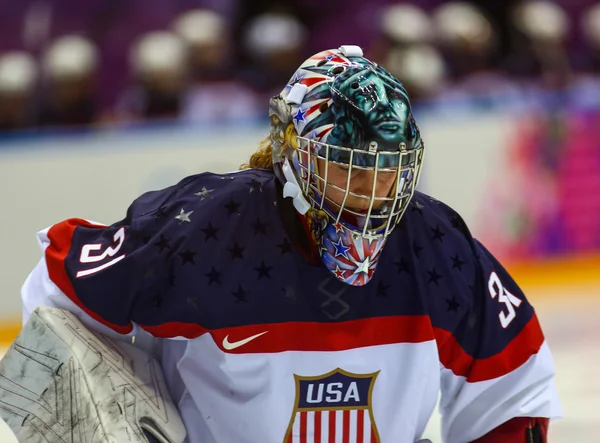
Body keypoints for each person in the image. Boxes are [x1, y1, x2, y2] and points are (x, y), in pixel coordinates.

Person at [18, 46, 562, 443]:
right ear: (293, 154)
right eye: (348, 168)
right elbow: (54, 289)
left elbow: (515, 386)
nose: (374, 192)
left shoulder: (437, 245)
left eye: (387, 169)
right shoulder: (201, 228)